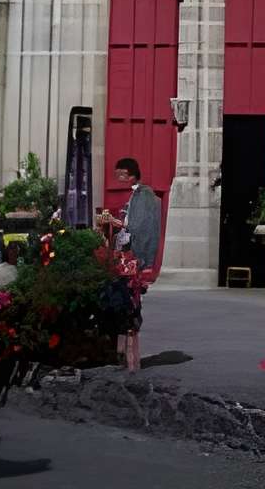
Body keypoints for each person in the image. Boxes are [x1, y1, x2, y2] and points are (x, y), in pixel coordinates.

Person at [101, 154, 165, 373]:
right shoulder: (136, 195)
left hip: (134, 261)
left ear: (131, 176)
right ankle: (123, 356)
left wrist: (115, 222)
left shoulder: (144, 196)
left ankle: (129, 359)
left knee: (129, 305)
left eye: (122, 175)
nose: (119, 179)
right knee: (122, 304)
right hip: (127, 259)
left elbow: (138, 229)